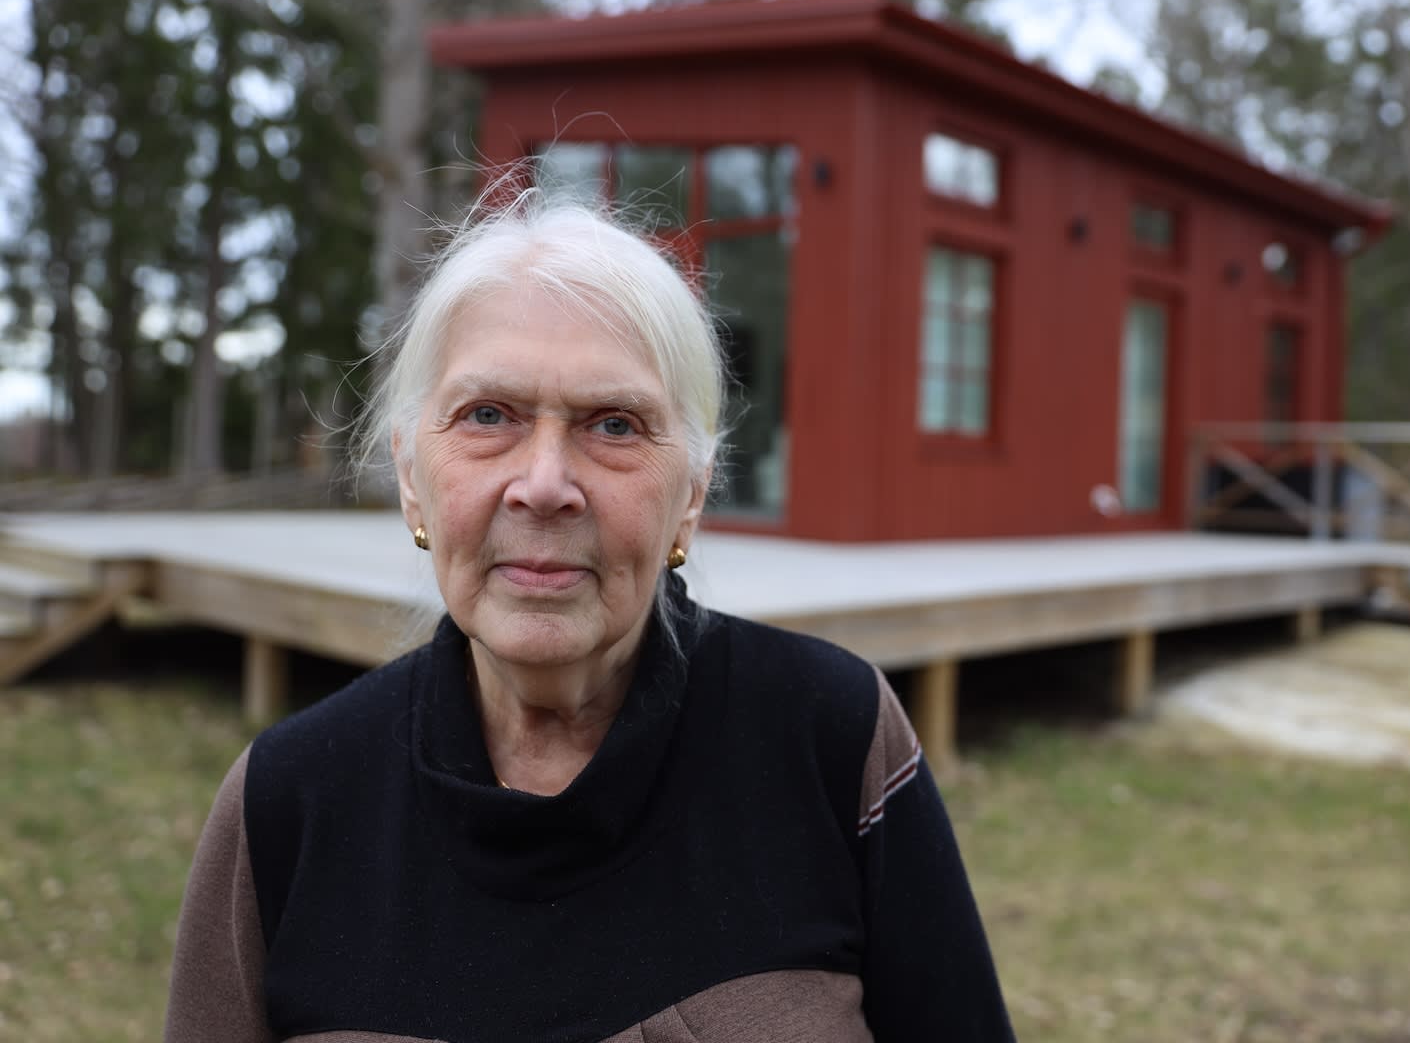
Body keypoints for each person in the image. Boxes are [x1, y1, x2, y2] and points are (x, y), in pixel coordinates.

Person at [164, 187, 1016, 1042]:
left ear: (691, 495)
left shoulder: (832, 735)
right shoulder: (287, 800)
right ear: (413, 479)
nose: (544, 486)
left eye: (614, 424)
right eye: (488, 415)